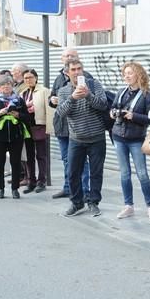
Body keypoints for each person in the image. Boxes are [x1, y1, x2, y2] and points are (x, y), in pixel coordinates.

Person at [56, 58, 109, 217]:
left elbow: (103, 105)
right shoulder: (64, 91)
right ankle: (77, 203)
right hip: (76, 139)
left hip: (97, 137)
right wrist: (73, 98)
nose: (77, 72)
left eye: (79, 68)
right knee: (72, 172)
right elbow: (61, 113)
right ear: (67, 72)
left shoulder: (94, 85)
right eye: (73, 69)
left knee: (96, 173)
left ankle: (93, 202)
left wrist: (88, 95)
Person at [111, 62, 150, 220]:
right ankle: (128, 206)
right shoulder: (121, 92)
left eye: (130, 73)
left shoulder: (147, 95)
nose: (127, 76)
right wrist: (113, 113)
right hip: (118, 137)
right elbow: (112, 108)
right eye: (125, 73)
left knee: (142, 174)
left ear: (139, 74)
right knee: (124, 174)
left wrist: (133, 116)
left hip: (136, 139)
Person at [49, 48, 91, 199]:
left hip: (78, 127)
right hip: (62, 125)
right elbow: (52, 98)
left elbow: (92, 102)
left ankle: (85, 190)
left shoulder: (87, 78)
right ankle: (68, 188)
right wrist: (52, 101)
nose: (68, 58)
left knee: (82, 161)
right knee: (67, 159)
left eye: (72, 56)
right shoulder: (59, 78)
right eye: (66, 56)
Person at [0, 75, 29, 199]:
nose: (6, 86)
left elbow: (28, 117)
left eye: (9, 84)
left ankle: (15, 189)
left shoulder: (18, 99)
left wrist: (18, 115)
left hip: (16, 136)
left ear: (12, 85)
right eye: (3, 85)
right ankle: (0, 188)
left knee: (15, 163)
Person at [21, 69, 53, 194]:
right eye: (26, 78)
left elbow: (49, 110)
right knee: (28, 156)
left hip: (40, 126)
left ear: (36, 78)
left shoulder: (44, 91)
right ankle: (31, 181)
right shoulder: (23, 93)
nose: (28, 80)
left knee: (41, 155)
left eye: (30, 77)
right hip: (27, 127)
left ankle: (42, 181)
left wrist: (49, 127)